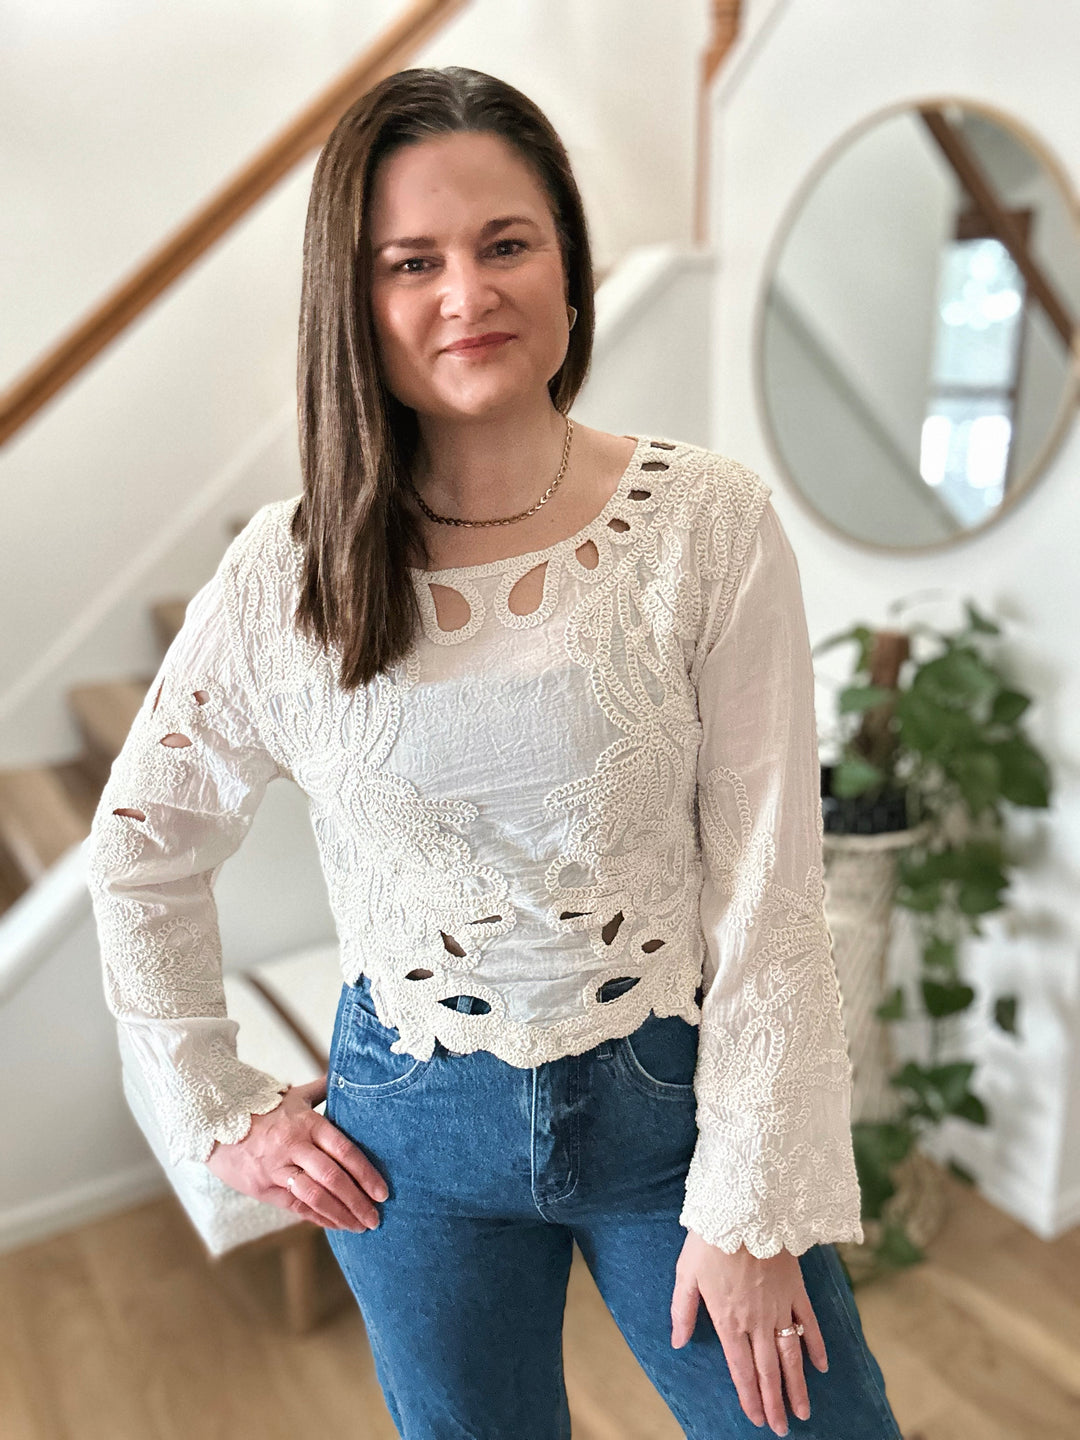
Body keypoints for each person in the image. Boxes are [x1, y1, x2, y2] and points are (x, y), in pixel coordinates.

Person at [85, 65, 904, 1440]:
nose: (467, 294)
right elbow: (137, 847)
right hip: (411, 1139)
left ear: (570, 269)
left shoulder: (703, 524)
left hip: (674, 1113)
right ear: (354, 299)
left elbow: (769, 886)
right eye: (412, 262)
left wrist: (753, 1206)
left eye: (506, 243)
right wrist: (219, 1106)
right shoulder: (284, 575)